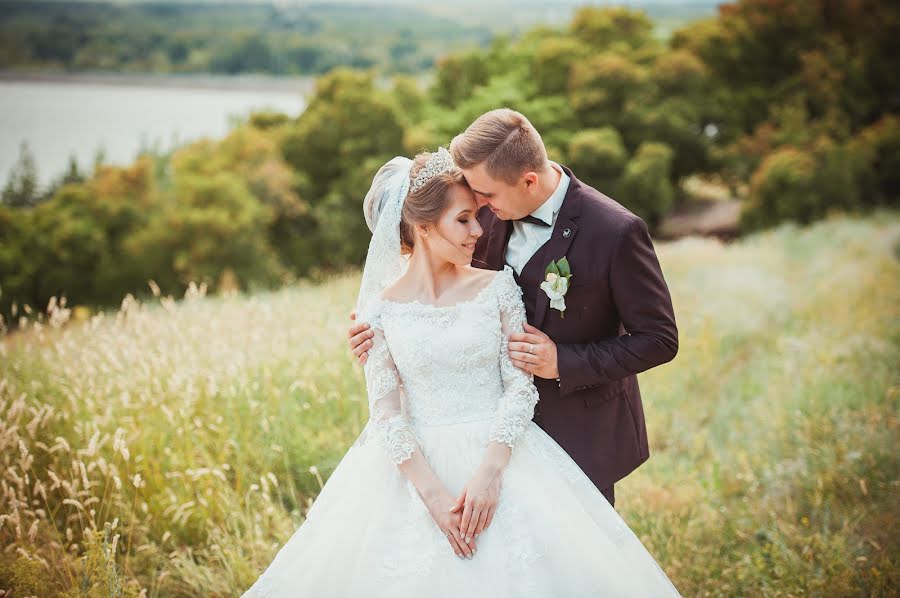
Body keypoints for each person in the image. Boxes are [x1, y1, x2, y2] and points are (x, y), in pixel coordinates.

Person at [242, 147, 681, 596]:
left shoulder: (497, 287)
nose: (480, 228)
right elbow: (387, 413)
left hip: (508, 455)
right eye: (465, 220)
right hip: (415, 470)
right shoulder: (377, 313)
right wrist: (432, 498)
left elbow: (519, 386)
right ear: (424, 226)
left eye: (477, 216)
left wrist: (489, 475)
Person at [349, 108, 679, 509]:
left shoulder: (616, 232)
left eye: (485, 196)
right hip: (480, 435)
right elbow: (434, 280)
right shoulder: (480, 209)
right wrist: (379, 333)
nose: (478, 206)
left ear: (528, 181)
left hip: (579, 429)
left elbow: (659, 339)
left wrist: (564, 362)